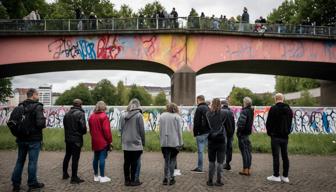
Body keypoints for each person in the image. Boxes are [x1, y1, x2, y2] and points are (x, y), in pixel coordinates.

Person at [11, 88, 46, 192]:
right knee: (32, 162)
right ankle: (32, 183)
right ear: (34, 95)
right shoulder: (38, 106)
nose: (38, 96)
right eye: (38, 94)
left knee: (20, 161)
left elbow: (12, 122)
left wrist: (17, 133)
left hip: (21, 139)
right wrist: (43, 121)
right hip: (34, 140)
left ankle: (16, 184)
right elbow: (40, 124)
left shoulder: (20, 106)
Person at [266, 93, 293, 183]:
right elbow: (290, 123)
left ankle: (276, 175)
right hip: (285, 136)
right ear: (283, 99)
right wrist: (287, 132)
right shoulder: (289, 110)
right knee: (285, 156)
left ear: (275, 99)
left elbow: (268, 123)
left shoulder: (273, 109)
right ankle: (285, 176)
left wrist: (270, 133)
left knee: (276, 156)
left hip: (275, 136)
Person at [206, 98, 230, 186]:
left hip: (211, 139)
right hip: (221, 139)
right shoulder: (225, 113)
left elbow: (206, 127)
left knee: (211, 161)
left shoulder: (208, 113)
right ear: (220, 104)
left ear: (212, 104)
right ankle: (219, 181)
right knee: (220, 162)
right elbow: (227, 126)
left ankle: (210, 181)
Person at [121, 99, 145, 186]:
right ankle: (133, 181)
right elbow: (142, 130)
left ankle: (126, 180)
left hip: (126, 142)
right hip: (136, 142)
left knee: (126, 162)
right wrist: (143, 142)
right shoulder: (139, 115)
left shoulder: (123, 115)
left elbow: (122, 129)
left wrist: (122, 141)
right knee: (134, 162)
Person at [62, 99, 87, 184]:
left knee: (67, 156)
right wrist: (83, 132)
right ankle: (74, 177)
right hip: (76, 140)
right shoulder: (81, 114)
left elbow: (65, 126)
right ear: (80, 105)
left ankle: (65, 174)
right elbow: (83, 128)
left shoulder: (67, 114)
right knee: (75, 159)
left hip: (68, 139)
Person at [159, 103, 183, 185]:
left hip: (164, 142)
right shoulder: (177, 117)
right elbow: (179, 132)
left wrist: (161, 140)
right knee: (173, 160)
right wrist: (181, 143)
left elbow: (160, 130)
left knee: (166, 161)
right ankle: (172, 178)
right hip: (174, 142)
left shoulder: (162, 116)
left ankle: (165, 178)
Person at [89, 101, 113, 183]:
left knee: (96, 158)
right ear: (104, 107)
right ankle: (102, 177)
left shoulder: (91, 116)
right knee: (102, 158)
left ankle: (96, 176)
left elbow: (91, 130)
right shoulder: (104, 116)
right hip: (103, 141)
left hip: (94, 140)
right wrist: (110, 141)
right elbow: (106, 130)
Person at [191, 95, 210, 173]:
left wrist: (195, 132)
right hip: (208, 132)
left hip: (201, 132)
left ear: (198, 100)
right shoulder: (208, 108)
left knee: (201, 151)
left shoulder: (199, 108)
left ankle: (200, 167)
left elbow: (196, 122)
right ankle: (212, 166)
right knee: (210, 150)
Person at [237, 97, 254, 176]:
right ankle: (248, 169)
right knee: (248, 152)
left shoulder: (244, 111)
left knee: (244, 152)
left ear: (245, 103)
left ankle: (245, 170)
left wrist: (239, 132)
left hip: (242, 134)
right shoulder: (251, 111)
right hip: (247, 134)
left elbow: (241, 124)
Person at [221, 100, 235, 170]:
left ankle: (222, 164)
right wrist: (232, 133)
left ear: (222, 105)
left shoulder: (221, 112)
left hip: (223, 134)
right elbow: (233, 124)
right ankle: (228, 163)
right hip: (230, 133)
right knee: (229, 149)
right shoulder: (231, 112)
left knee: (222, 148)